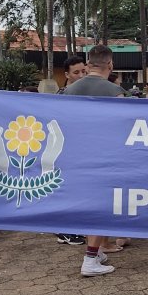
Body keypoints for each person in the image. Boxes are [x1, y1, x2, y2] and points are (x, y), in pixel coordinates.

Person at [63, 45, 126, 276]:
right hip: (107, 157)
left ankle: (96, 253)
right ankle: (90, 259)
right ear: (110, 65)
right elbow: (123, 129)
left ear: (88, 64)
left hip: (77, 156)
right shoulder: (115, 91)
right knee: (102, 206)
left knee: (88, 205)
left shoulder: (69, 91)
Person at [54, 55, 89, 246]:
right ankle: (64, 230)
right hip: (67, 151)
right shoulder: (62, 96)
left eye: (84, 71)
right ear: (67, 74)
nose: (81, 75)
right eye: (76, 72)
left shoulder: (88, 93)